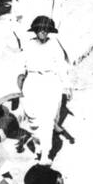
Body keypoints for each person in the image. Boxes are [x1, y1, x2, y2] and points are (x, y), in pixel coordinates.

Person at [19, 15, 71, 160]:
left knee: (47, 119)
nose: (43, 32)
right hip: (32, 82)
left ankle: (45, 155)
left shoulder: (54, 44)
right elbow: (20, 66)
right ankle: (38, 145)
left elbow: (62, 66)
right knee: (34, 120)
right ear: (35, 31)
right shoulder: (28, 45)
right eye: (40, 29)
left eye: (46, 30)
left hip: (50, 82)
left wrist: (66, 85)